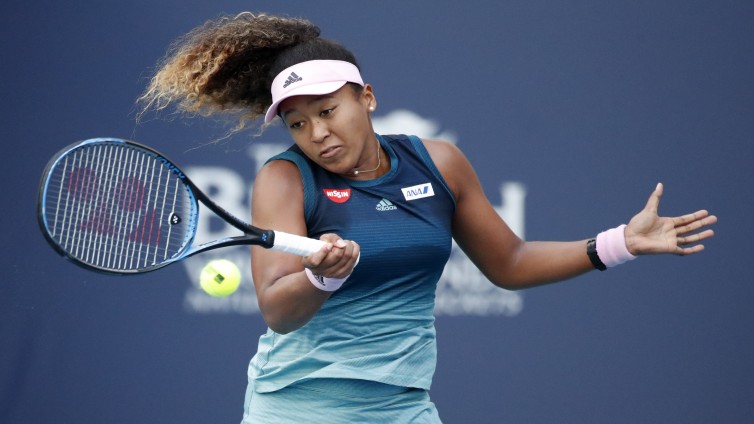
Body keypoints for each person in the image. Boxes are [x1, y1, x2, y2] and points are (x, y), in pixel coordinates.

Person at [138, 12, 717, 424]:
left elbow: (509, 263)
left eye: (328, 110)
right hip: (299, 407)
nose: (317, 133)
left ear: (367, 96)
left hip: (404, 406)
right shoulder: (285, 178)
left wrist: (619, 243)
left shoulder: (437, 162)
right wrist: (322, 275)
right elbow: (276, 308)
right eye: (296, 123)